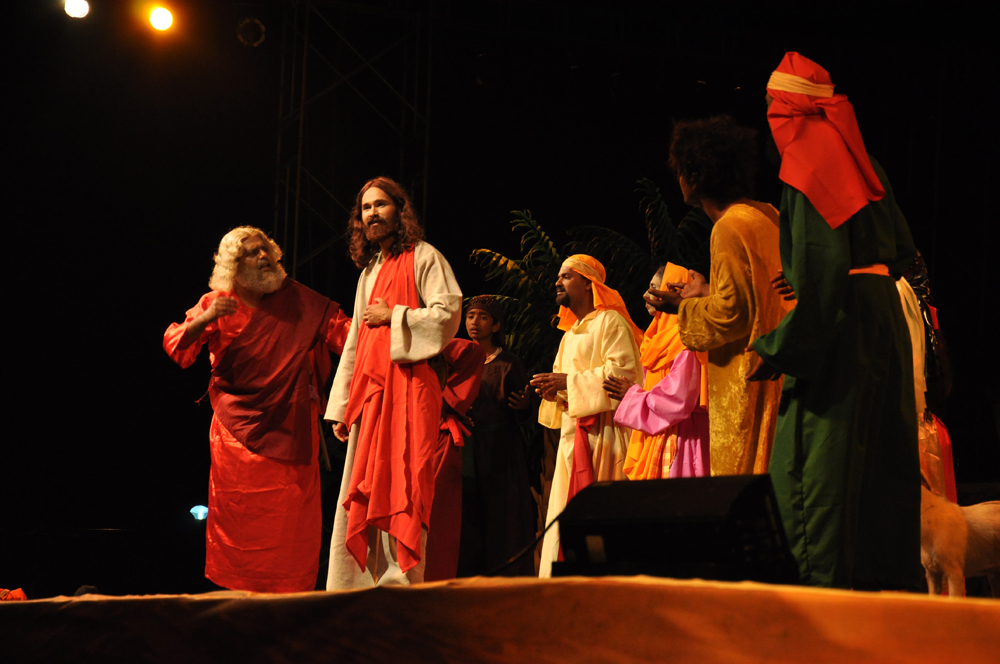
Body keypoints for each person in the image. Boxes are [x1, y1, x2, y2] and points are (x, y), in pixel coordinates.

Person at [749, 52, 922, 590]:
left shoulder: (807, 161)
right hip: (882, 317)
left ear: (787, 107)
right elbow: (901, 251)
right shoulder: (861, 155)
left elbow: (822, 280)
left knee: (816, 474)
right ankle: (884, 608)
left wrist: (777, 348)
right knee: (878, 473)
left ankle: (818, 612)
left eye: (772, 105)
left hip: (841, 329)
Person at [163, 226, 351, 593]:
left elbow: (349, 338)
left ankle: (291, 601)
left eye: (266, 249)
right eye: (252, 252)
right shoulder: (216, 302)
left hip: (292, 430)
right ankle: (241, 602)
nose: (263, 256)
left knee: (291, 525)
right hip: (236, 436)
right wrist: (203, 320)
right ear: (233, 265)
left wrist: (394, 327)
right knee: (241, 524)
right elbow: (178, 350)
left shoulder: (301, 301)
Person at [325, 176, 462, 589]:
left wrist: (395, 315)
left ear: (400, 211)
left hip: (411, 389)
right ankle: (357, 588)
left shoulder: (425, 256)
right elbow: (355, 340)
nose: (372, 214)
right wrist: (342, 406)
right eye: (365, 208)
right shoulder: (369, 272)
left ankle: (402, 585)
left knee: (405, 480)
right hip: (371, 394)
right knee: (365, 485)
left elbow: (448, 313)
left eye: (380, 205)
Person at [646, 115, 791, 477]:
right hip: (780, 368)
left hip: (749, 375)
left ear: (694, 177)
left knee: (745, 482)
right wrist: (707, 290)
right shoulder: (767, 214)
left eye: (681, 171)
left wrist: (682, 306)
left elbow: (732, 314)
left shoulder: (728, 227)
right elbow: (761, 292)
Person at [530, 255, 642, 578]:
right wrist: (553, 392)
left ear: (588, 284)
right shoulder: (569, 335)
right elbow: (565, 386)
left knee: (604, 511)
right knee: (566, 510)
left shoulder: (610, 322)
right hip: (573, 436)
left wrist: (567, 383)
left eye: (566, 276)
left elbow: (623, 375)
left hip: (605, 435)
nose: (557, 282)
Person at [604, 263, 710, 478]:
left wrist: (633, 396)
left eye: (654, 287)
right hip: (660, 432)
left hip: (683, 437)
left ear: (674, 291)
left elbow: (678, 399)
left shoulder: (686, 338)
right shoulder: (654, 340)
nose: (646, 294)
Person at [463, 295, 536, 576]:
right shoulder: (457, 360)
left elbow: (526, 413)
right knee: (469, 518)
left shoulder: (508, 363)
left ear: (495, 326)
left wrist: (524, 406)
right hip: (466, 450)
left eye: (483, 317)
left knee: (503, 518)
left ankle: (506, 578)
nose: (475, 322)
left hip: (500, 452)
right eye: (471, 316)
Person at [424, 337, 485, 582]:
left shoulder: (426, 343)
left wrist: (446, 403)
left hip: (437, 436)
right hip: (402, 432)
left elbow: (472, 352)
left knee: (437, 519)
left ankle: (434, 582)